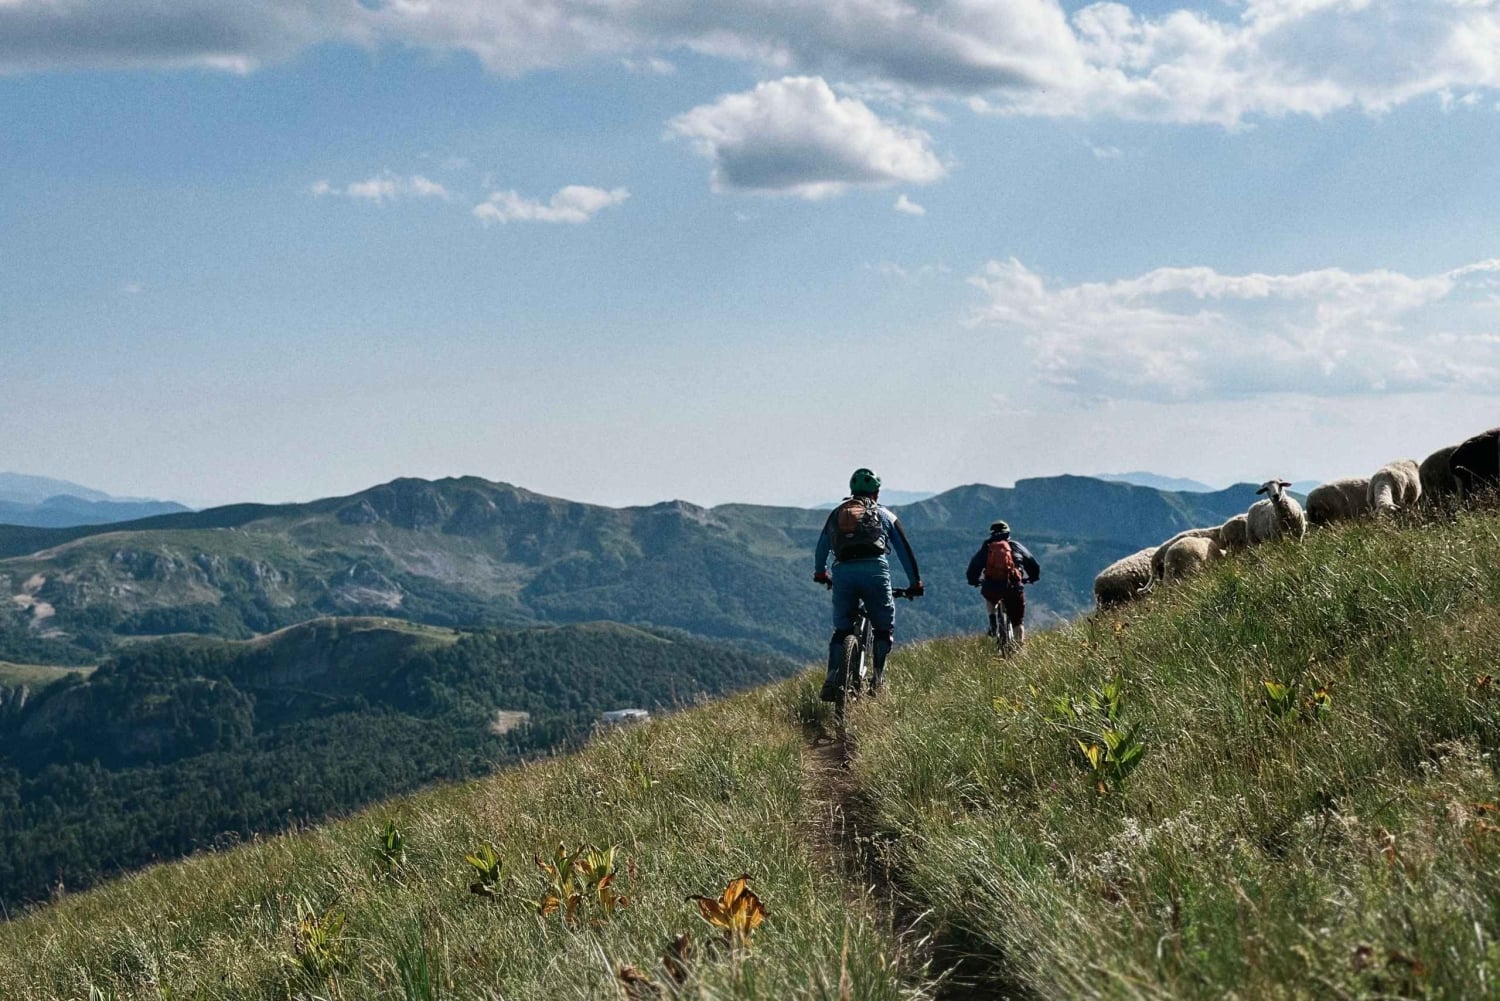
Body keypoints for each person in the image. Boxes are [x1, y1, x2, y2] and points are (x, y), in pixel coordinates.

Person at [812, 468, 923, 699]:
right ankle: (878, 678)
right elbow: (905, 552)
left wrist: (820, 573)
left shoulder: (836, 513)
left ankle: (832, 677)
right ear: (877, 493)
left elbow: (822, 547)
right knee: (883, 627)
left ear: (852, 491)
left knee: (841, 630)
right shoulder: (885, 515)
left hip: (842, 572)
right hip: (875, 572)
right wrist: (915, 583)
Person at [966, 520, 1040, 645]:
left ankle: (992, 618)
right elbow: (1033, 564)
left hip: (992, 586)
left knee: (989, 596)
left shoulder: (987, 547)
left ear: (992, 533)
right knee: (1018, 621)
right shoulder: (1015, 546)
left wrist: (973, 580)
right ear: (1008, 533)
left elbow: (974, 566)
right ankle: (1019, 650)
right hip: (1013, 587)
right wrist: (1033, 577)